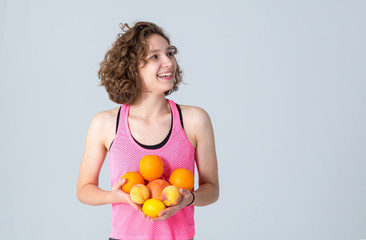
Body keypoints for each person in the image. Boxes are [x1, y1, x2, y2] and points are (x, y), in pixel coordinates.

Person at [76, 21, 219, 240]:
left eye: (169, 54)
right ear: (132, 67)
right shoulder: (104, 123)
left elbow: (212, 190)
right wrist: (115, 197)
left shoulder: (195, 120)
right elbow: (84, 190)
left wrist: (188, 199)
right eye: (155, 57)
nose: (168, 62)